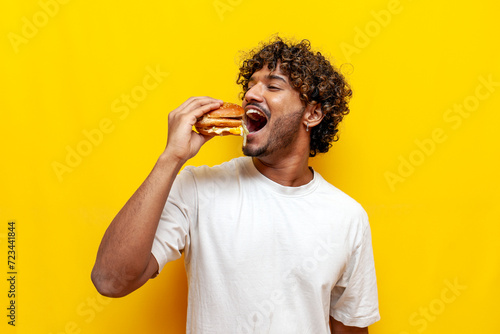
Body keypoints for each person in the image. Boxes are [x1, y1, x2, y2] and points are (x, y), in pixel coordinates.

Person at [91, 37, 380, 334]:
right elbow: (110, 280)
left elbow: (350, 328)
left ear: (313, 114)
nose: (251, 95)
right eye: (250, 86)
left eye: (272, 86)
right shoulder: (198, 188)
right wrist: (171, 158)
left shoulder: (347, 217)